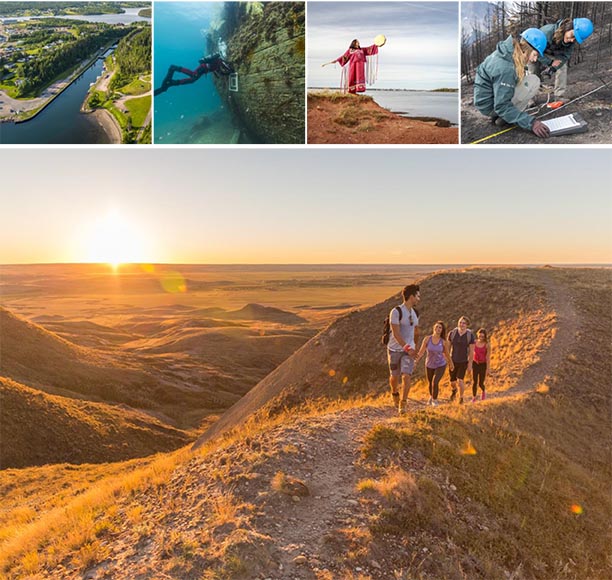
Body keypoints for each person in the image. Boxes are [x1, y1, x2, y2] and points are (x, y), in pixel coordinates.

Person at [473, 28, 550, 138]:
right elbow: (501, 105)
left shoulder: (508, 51)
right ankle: (505, 116)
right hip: (490, 106)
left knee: (530, 79)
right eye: (535, 54)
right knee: (534, 81)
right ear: (526, 50)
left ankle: (504, 116)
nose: (534, 60)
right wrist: (531, 123)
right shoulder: (506, 68)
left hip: (487, 100)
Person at [529, 18, 594, 103]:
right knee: (532, 69)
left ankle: (559, 96)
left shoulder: (571, 42)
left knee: (562, 66)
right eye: (572, 36)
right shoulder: (547, 32)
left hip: (551, 53)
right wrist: (549, 62)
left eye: (575, 39)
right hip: (535, 51)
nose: (572, 40)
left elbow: (564, 56)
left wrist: (553, 68)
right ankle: (530, 97)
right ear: (568, 28)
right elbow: (532, 50)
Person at [386, 284, 420, 416]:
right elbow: (396, 334)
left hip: (409, 350)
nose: (419, 299)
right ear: (411, 297)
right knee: (394, 377)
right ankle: (394, 392)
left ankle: (403, 403)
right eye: (417, 296)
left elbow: (416, 331)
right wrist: (407, 347)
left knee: (406, 376)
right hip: (394, 349)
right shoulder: (396, 312)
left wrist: (414, 348)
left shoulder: (415, 313)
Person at [154, 53, 234, 96]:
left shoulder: (218, 65)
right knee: (193, 76)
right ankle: (174, 69)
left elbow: (221, 72)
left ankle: (172, 81)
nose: (224, 65)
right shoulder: (218, 61)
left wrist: (229, 72)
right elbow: (223, 66)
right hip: (202, 68)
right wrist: (230, 70)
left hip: (203, 69)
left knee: (192, 78)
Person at [415, 321, 453, 407]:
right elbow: (421, 352)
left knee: (435, 382)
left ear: (442, 330)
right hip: (429, 364)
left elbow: (446, 354)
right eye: (437, 327)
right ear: (434, 328)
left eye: (440, 328)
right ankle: (431, 396)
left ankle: (435, 400)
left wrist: (451, 364)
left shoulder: (443, 342)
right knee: (430, 382)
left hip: (440, 364)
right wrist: (415, 361)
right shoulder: (427, 339)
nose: (438, 329)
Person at [447, 316, 475, 404]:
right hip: (453, 360)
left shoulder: (469, 335)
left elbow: (471, 351)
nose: (461, 324)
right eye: (460, 322)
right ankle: (454, 390)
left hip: (463, 361)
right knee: (452, 381)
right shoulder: (452, 333)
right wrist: (448, 360)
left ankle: (461, 397)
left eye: (464, 323)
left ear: (467, 325)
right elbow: (447, 348)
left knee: (460, 380)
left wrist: (470, 364)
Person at [471, 328, 491, 402]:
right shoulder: (474, 342)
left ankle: (483, 391)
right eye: (480, 336)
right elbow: (471, 353)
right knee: (474, 382)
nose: (481, 338)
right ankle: (474, 397)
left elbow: (488, 357)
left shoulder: (487, 345)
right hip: (475, 363)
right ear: (477, 335)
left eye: (482, 337)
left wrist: (488, 369)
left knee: (480, 383)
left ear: (485, 337)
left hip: (483, 364)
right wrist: (469, 364)